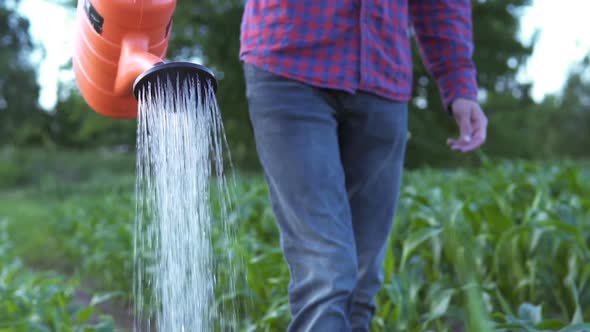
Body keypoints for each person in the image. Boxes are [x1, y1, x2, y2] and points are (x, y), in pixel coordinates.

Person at [239, 1, 488, 331]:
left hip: (382, 76)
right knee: (326, 269)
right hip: (290, 63)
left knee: (363, 278)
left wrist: (458, 81)